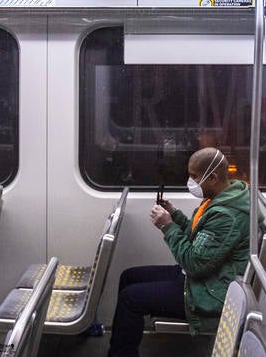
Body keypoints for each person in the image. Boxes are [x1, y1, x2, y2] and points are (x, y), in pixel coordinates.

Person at [107, 147, 251, 357]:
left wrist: (167, 226)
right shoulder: (221, 197)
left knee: (131, 299)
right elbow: (200, 236)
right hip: (206, 277)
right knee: (129, 277)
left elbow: (194, 264)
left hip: (210, 291)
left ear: (212, 178)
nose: (190, 181)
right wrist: (174, 215)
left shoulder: (227, 215)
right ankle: (123, 345)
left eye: (194, 176)